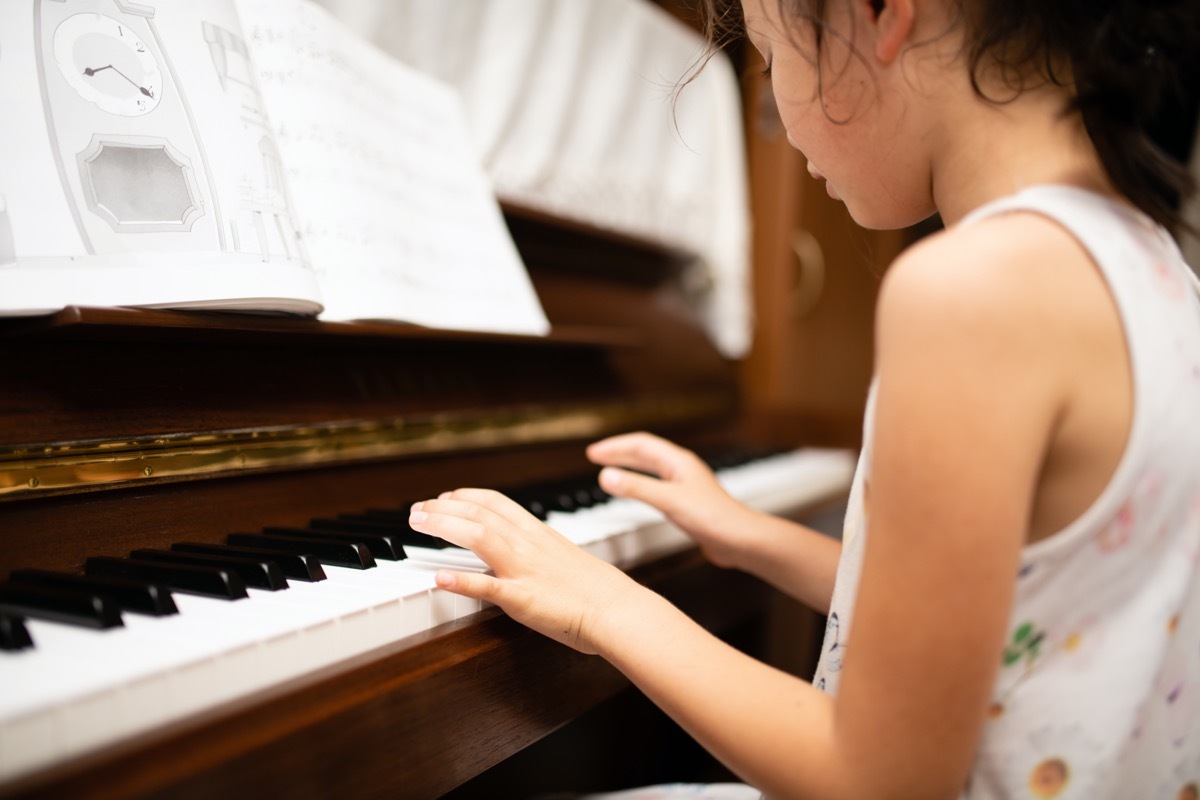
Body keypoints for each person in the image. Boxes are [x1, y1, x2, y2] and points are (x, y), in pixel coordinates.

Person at [407, 0, 1200, 796]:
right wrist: (749, 534)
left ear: (882, 14)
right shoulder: (1153, 268)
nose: (777, 120)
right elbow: (997, 623)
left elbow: (875, 781)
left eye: (769, 54)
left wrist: (602, 606)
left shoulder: (973, 292)